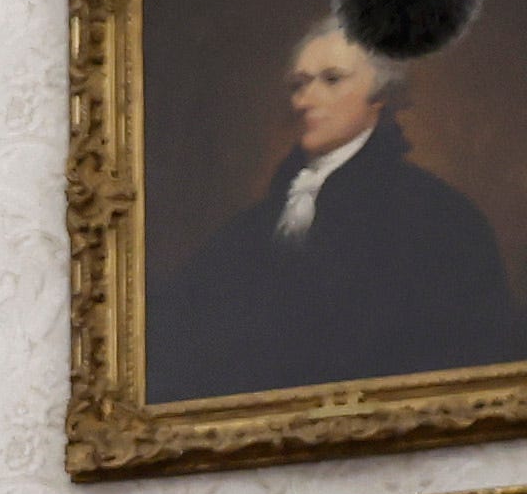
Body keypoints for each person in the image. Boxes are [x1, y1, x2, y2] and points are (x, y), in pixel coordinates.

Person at [151, 21, 520, 405]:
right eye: (299, 84)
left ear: (379, 95)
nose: (304, 100)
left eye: (331, 80)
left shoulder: (437, 216)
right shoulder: (252, 226)